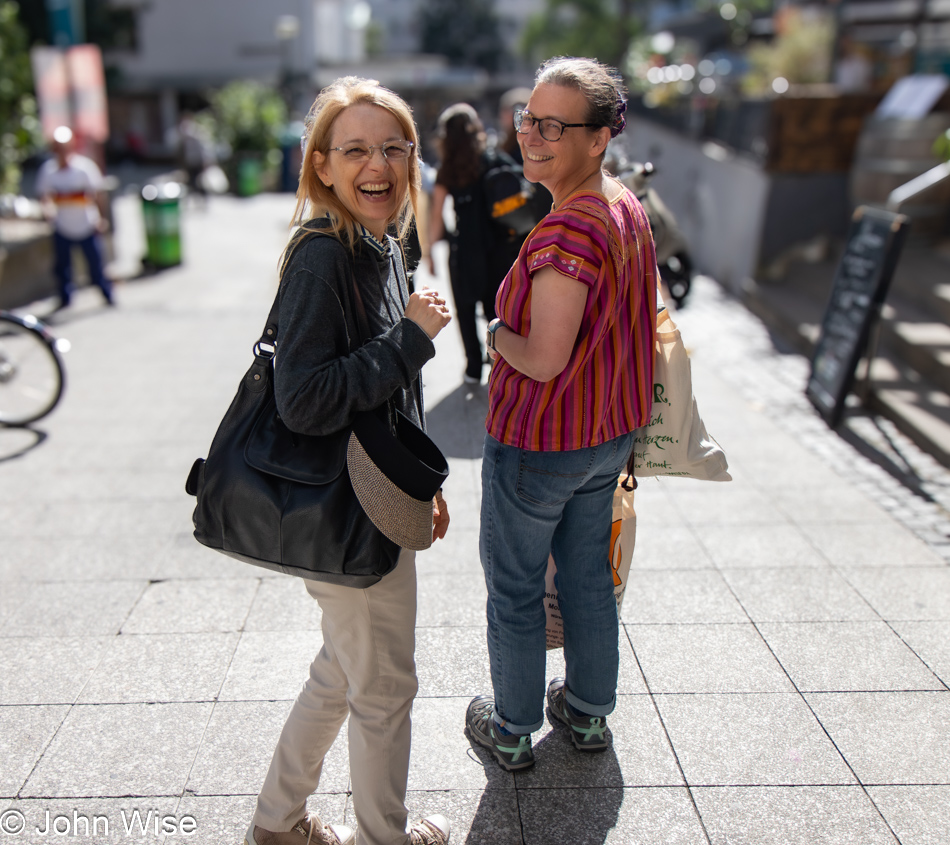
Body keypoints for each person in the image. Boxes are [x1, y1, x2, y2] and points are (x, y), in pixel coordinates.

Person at [243, 76, 453, 845]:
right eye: (356, 148)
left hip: (374, 500)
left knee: (342, 668)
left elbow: (390, 396)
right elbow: (304, 400)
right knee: (384, 685)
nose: (379, 163)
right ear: (322, 165)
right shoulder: (323, 257)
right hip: (343, 513)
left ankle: (277, 823)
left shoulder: (385, 243)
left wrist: (421, 485)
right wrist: (408, 340)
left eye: (393, 147)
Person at [464, 57, 659, 771]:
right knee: (584, 578)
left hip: (542, 442)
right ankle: (586, 712)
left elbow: (543, 358)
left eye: (554, 125)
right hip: (606, 433)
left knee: (516, 585)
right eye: (528, 119)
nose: (532, 135)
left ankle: (512, 726)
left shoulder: (568, 231)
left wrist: (493, 334)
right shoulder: (624, 205)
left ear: (600, 136)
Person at [426, 104, 519, 385]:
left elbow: (437, 213)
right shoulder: (493, 158)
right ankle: (499, 362)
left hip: (464, 249)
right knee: (496, 308)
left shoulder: (448, 169)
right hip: (498, 246)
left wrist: (431, 250)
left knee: (465, 310)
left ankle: (473, 368)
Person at [35, 126, 115, 309]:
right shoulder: (48, 171)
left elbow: (97, 194)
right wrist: (47, 210)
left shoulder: (84, 168)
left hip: (87, 224)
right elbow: (43, 196)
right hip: (63, 226)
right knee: (62, 268)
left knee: (96, 265)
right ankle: (65, 299)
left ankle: (107, 294)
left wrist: (102, 218)